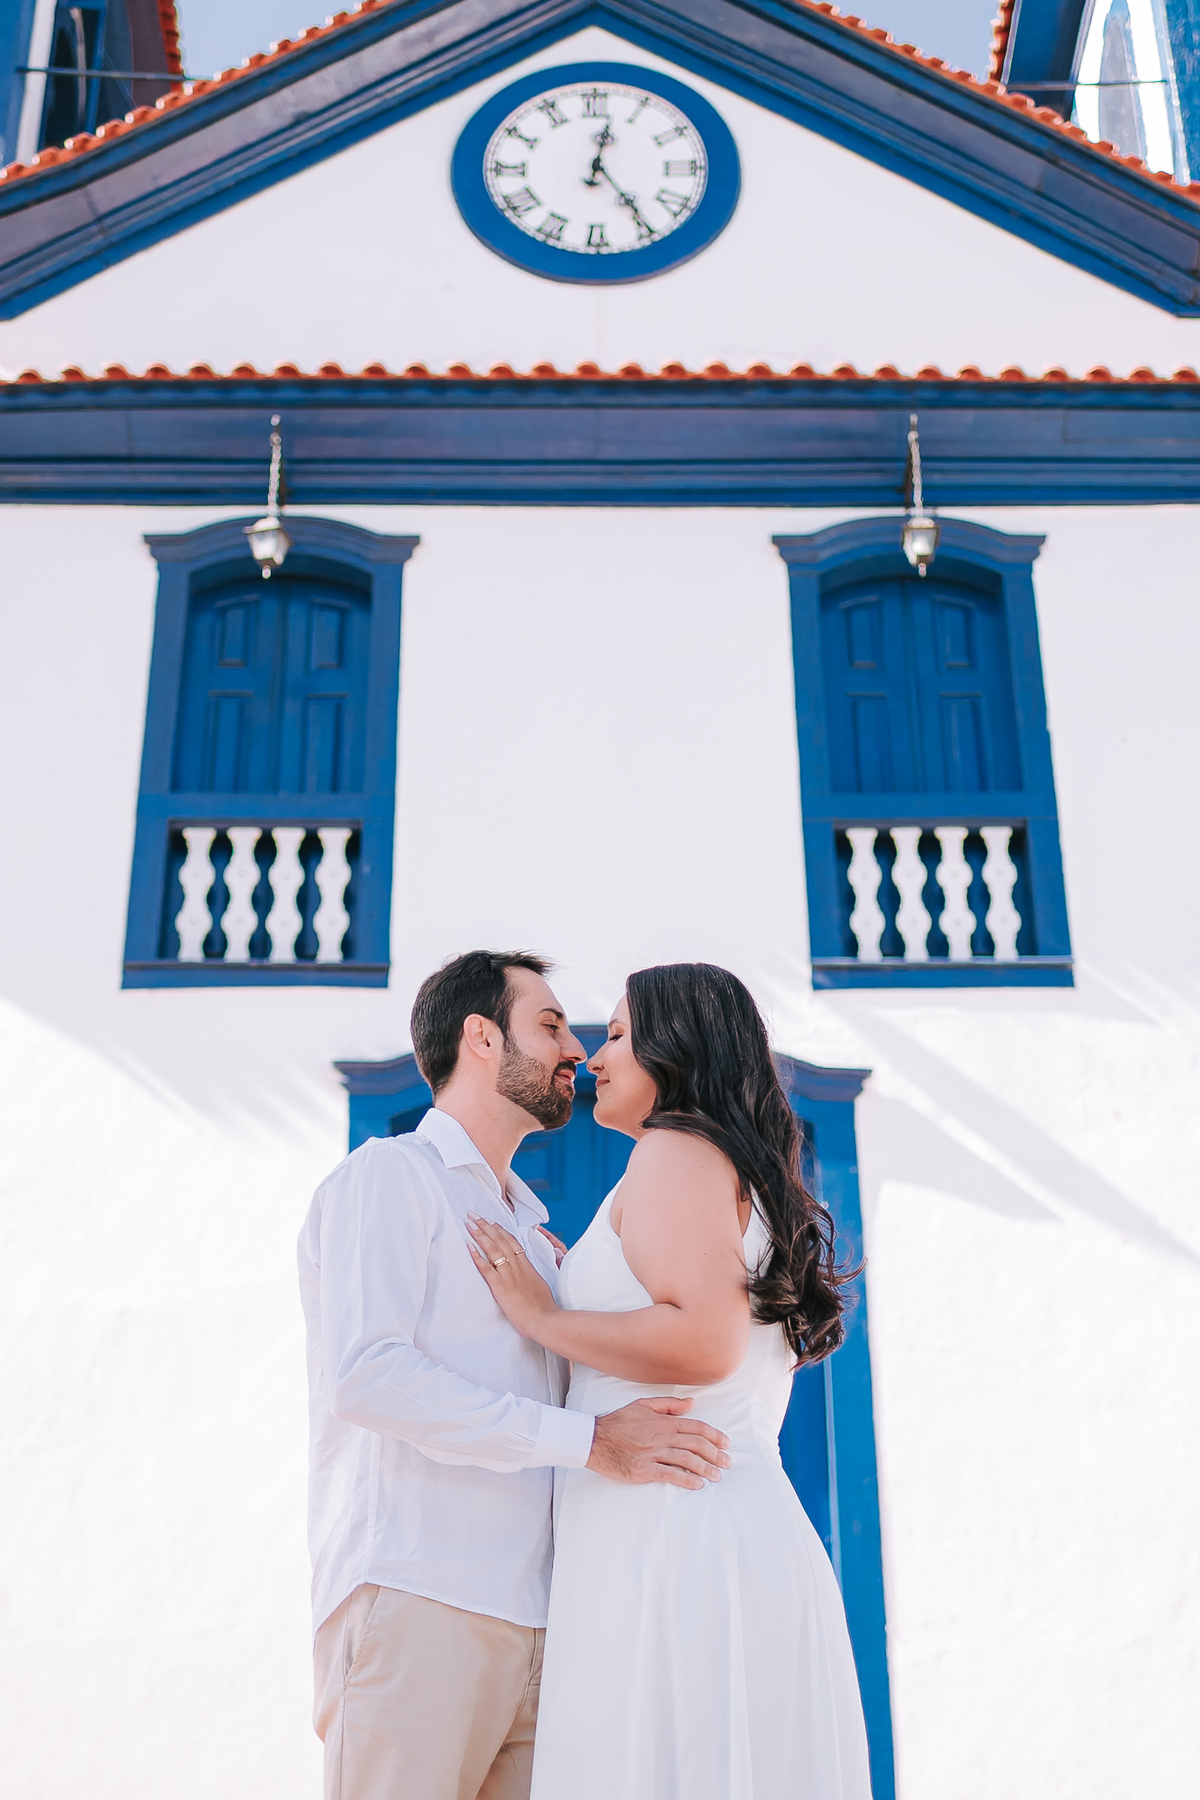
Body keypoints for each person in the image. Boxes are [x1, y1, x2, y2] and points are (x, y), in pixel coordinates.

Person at [298, 950, 731, 1800]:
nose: (576, 1050)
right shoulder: (391, 1176)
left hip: (547, 1621)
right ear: (482, 1038)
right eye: (551, 1025)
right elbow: (369, 1375)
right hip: (420, 1594)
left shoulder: (536, 1236)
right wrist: (590, 1442)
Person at [468, 962, 874, 1800]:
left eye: (619, 1034)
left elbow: (702, 1340)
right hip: (709, 1526)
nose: (594, 1056)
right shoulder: (723, 1168)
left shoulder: (674, 1151)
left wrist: (543, 1316)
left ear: (676, 1048)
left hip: (673, 1535)